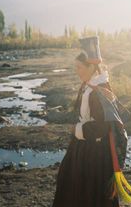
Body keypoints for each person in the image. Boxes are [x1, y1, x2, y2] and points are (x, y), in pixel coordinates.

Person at [52, 50, 120, 207]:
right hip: (85, 146)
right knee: (73, 183)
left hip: (94, 153)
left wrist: (77, 129)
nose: (76, 71)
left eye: (79, 67)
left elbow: (102, 126)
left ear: (91, 67)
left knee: (89, 190)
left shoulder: (99, 90)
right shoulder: (89, 85)